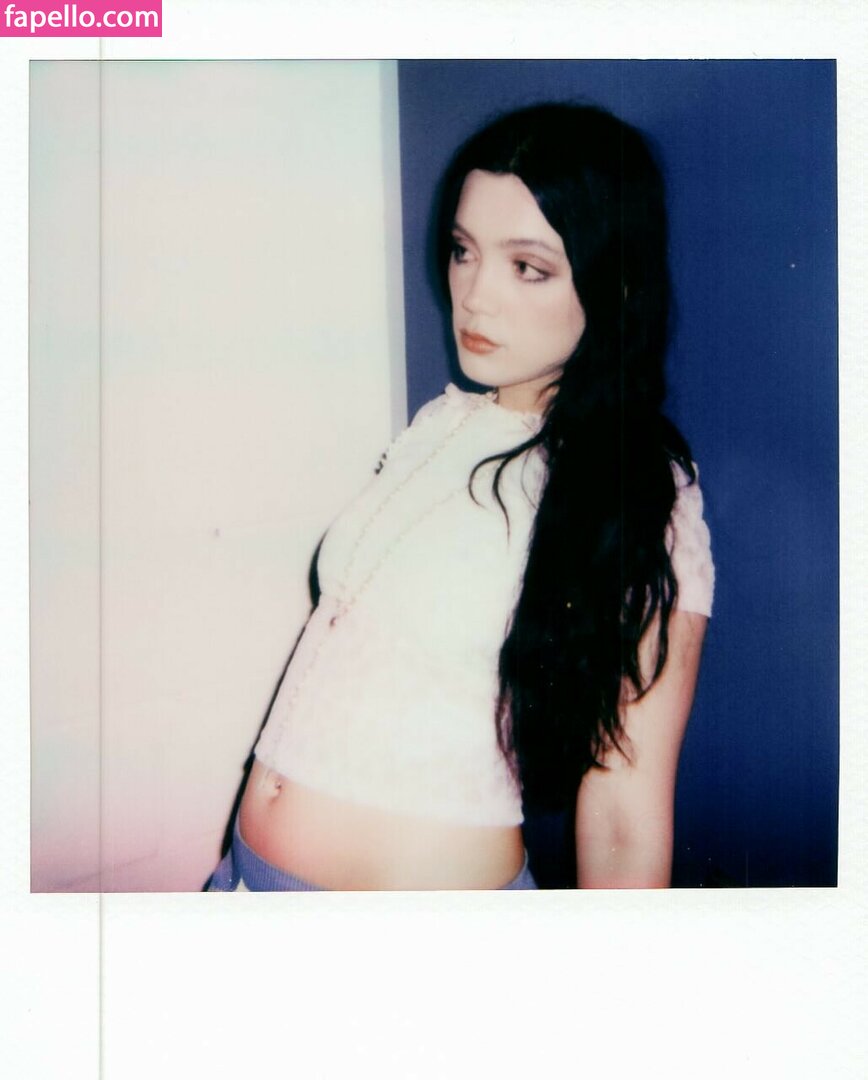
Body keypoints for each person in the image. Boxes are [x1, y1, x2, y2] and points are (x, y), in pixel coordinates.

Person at [206, 102, 714, 892]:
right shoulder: (441, 423)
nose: (473, 296)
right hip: (244, 883)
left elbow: (625, 812)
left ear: (612, 282)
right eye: (463, 251)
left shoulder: (642, 489)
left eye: (527, 267)